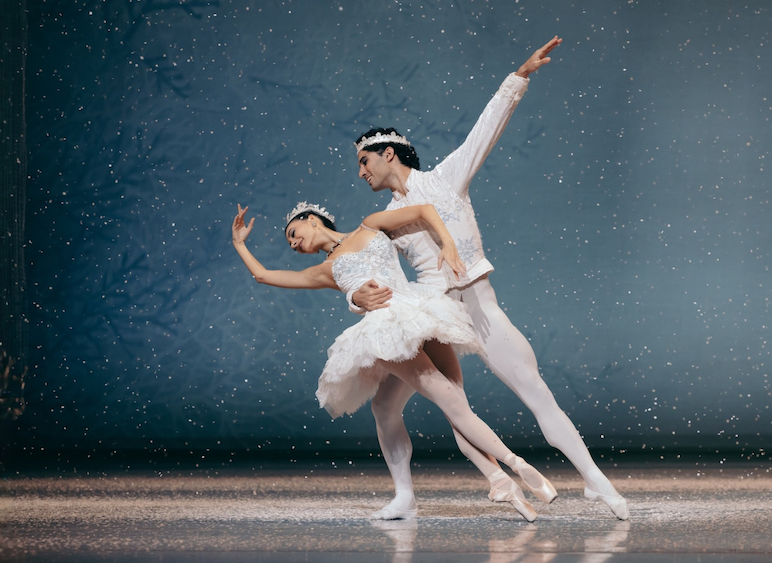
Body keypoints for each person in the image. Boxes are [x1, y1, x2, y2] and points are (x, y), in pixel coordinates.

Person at [348, 36, 630, 520]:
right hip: (432, 320)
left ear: (389, 153)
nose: (361, 172)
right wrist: (359, 298)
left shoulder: (444, 179)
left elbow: (486, 128)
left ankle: (594, 480)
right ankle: (405, 496)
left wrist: (518, 77)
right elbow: (356, 266)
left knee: (536, 391)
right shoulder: (384, 221)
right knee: (384, 407)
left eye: (364, 161)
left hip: (478, 309)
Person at [231, 201, 557, 521]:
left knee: (453, 403)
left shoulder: (370, 224)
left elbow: (424, 210)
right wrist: (239, 244)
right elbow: (263, 275)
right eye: (290, 243)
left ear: (312, 219)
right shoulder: (323, 270)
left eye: (293, 232)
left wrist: (447, 244)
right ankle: (474, 483)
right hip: (409, 319)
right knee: (387, 408)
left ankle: (516, 466)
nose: (293, 243)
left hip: (409, 317)